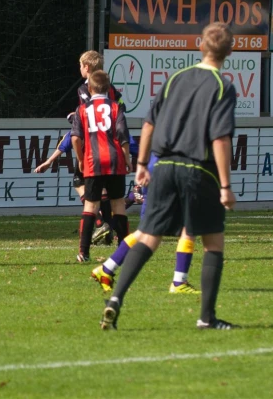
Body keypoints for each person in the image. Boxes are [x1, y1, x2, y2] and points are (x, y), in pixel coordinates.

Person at [100, 22, 238, 331]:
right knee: (213, 242)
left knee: (149, 237)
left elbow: (148, 124)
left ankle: (115, 300)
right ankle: (206, 318)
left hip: (162, 168)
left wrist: (142, 164)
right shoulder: (222, 86)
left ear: (200, 45)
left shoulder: (175, 77)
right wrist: (226, 186)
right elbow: (220, 138)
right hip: (198, 171)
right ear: (229, 51)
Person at [91, 154, 202, 295]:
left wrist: (143, 166)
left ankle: (107, 269)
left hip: (164, 169)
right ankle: (179, 282)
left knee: (153, 231)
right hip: (170, 171)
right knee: (180, 226)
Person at [71, 70, 132, 263]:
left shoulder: (82, 109)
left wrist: (80, 158)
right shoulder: (115, 107)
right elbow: (122, 134)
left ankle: (84, 252)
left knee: (91, 205)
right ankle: (123, 251)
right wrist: (127, 158)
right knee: (118, 204)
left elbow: (75, 138)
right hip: (114, 160)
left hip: (92, 161)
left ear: (89, 88)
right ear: (108, 88)